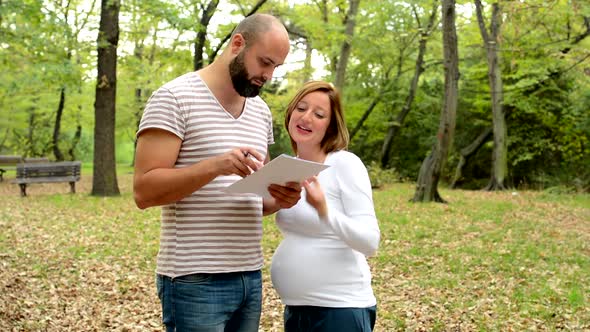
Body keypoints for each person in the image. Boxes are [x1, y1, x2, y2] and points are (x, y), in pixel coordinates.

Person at [133, 14, 302, 332]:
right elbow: (144, 192)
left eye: (275, 67)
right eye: (264, 62)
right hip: (194, 280)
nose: (267, 75)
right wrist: (216, 165)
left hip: (249, 278)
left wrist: (280, 199)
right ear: (237, 44)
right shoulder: (174, 99)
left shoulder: (260, 111)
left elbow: (254, 201)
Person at [270, 81, 381, 331]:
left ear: (330, 126)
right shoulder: (287, 168)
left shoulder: (344, 164)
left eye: (319, 114)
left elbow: (370, 242)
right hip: (296, 312)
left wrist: (324, 211)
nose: (306, 117)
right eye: (301, 108)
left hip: (339, 310)